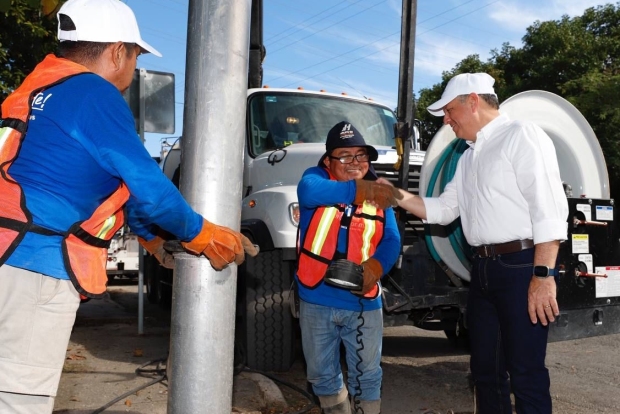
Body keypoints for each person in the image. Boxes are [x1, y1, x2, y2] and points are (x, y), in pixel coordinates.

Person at [0, 0, 256, 413]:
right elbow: (150, 187)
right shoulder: (93, 93)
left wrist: (150, 239)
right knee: (17, 401)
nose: (133, 71)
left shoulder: (38, 89)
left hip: (9, 257)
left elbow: (111, 188)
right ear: (118, 51)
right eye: (135, 57)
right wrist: (202, 234)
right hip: (33, 267)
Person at [389, 73, 568, 414]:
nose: (446, 119)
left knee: (526, 372)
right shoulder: (468, 157)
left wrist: (543, 276)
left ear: (473, 101)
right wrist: (393, 194)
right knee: (485, 372)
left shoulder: (522, 135)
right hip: (482, 270)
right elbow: (442, 210)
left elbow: (549, 209)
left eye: (449, 110)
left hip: (522, 266)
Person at [296, 121, 401, 414]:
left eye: (361, 156)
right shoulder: (316, 178)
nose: (354, 163)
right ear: (328, 161)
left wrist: (375, 270)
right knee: (320, 373)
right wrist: (362, 190)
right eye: (345, 156)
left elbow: (392, 239)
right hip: (317, 297)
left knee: (368, 374)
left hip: (363, 300)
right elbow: (307, 191)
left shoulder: (381, 196)